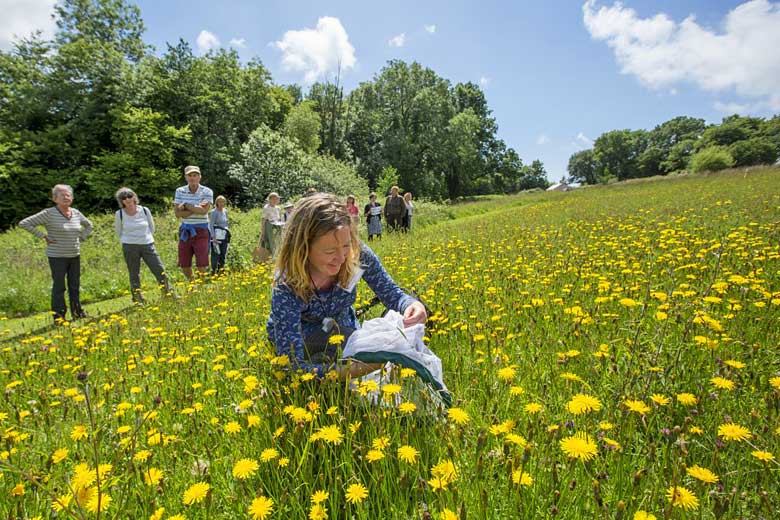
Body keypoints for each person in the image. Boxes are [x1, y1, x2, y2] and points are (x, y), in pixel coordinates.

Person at [266, 193, 427, 378]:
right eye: (329, 251)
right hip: (303, 338)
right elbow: (291, 365)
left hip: (345, 329)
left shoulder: (357, 254)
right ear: (303, 249)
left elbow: (392, 294)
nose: (342, 258)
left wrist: (411, 305)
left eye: (345, 246)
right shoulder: (287, 284)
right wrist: (348, 372)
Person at [19, 184, 93, 322]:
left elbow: (89, 225)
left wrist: (82, 237)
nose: (66, 197)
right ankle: (59, 317)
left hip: (74, 255)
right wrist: (43, 236)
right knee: (59, 287)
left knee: (74, 286)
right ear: (55, 198)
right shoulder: (49, 213)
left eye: (68, 195)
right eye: (62, 195)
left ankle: (77, 312)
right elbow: (24, 223)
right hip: (57, 256)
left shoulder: (76, 213)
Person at [113, 187, 174, 303]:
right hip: (130, 246)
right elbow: (118, 231)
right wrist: (129, 240)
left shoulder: (145, 210)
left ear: (134, 197)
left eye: (130, 196)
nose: (128, 199)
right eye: (124, 197)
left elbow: (152, 227)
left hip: (147, 244)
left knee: (159, 268)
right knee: (134, 272)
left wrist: (146, 238)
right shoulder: (119, 214)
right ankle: (137, 297)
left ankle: (168, 292)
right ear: (121, 201)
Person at [174, 165, 213, 282]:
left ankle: (201, 283)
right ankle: (192, 283)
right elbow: (177, 214)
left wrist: (185, 205)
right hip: (185, 229)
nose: (192, 178)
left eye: (195, 175)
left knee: (202, 261)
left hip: (201, 229)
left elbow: (204, 211)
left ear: (199, 177)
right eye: (190, 175)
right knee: (184, 262)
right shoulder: (180, 191)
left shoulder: (207, 191)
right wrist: (195, 207)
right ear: (186, 177)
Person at [209, 195, 231, 275]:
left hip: (224, 235)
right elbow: (211, 225)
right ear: (216, 202)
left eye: (223, 201)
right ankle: (213, 272)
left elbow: (226, 223)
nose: (221, 203)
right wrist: (213, 237)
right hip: (216, 236)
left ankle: (221, 271)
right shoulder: (214, 212)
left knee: (223, 253)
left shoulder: (225, 211)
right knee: (215, 254)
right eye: (220, 201)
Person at [261, 192, 282, 258]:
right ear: (269, 199)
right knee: (270, 241)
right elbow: (263, 220)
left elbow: (279, 218)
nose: (274, 201)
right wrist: (263, 232)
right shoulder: (266, 207)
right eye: (273, 199)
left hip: (277, 225)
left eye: (276, 199)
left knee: (278, 240)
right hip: (269, 225)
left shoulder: (278, 208)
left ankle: (278, 255)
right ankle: (272, 256)